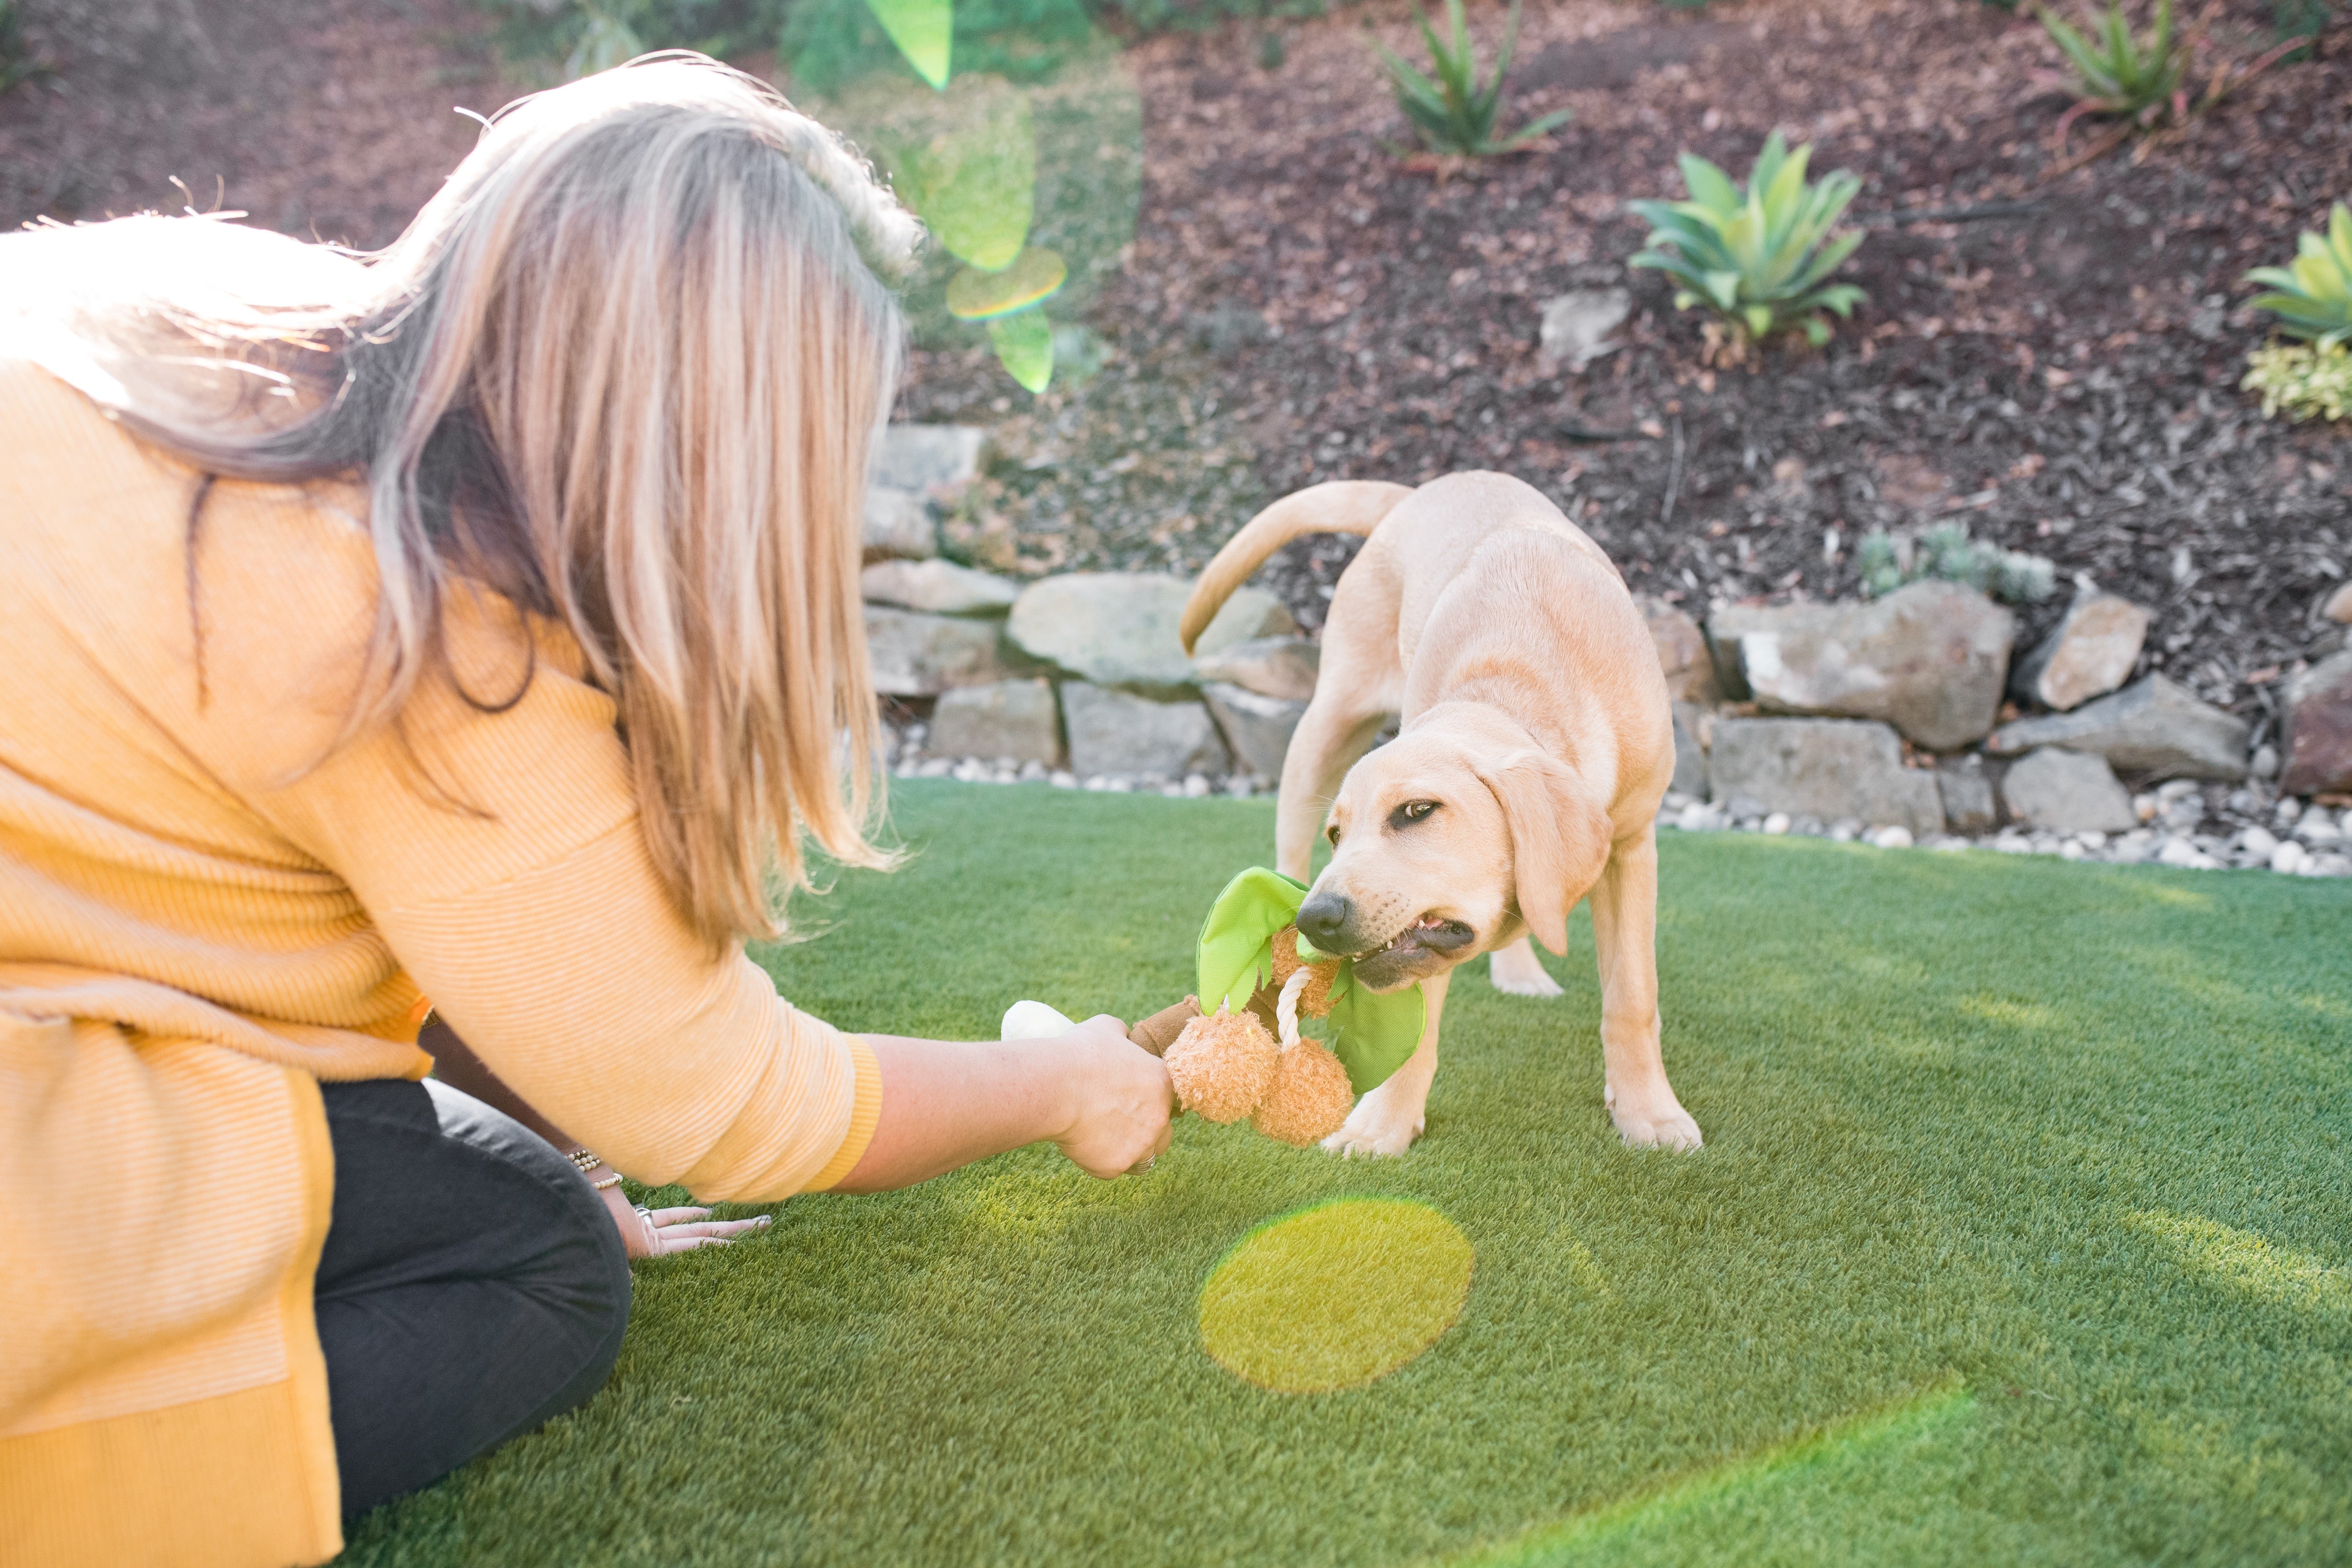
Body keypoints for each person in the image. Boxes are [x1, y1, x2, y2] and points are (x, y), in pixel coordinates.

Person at [0, 56, 1173, 1567]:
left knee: (526, 1185)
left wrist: (566, 1143)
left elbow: (467, 924)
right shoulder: (431, 638)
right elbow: (740, 1107)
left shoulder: (215, 304)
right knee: (545, 1260)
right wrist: (1069, 1083)